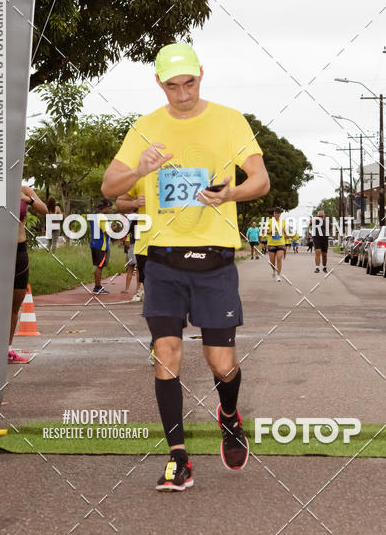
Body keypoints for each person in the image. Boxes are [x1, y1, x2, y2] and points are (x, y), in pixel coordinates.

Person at [102, 43, 270, 491]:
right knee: (167, 354)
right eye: (172, 86)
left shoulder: (230, 120)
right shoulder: (145, 127)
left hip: (214, 260)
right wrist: (140, 167)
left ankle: (229, 415)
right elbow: (110, 185)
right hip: (163, 259)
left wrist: (230, 194)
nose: (181, 94)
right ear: (159, 83)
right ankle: (178, 457)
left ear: (201, 75)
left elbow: (260, 179)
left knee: (221, 363)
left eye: (189, 83)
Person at [9, 185, 47, 364]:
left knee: (14, 305)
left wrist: (28, 199)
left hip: (19, 250)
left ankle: (7, 350)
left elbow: (44, 210)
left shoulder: (23, 189)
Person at [90, 199, 113, 295]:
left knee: (98, 266)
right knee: (100, 266)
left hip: (94, 243)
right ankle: (97, 287)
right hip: (101, 245)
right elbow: (106, 232)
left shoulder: (93, 215)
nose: (110, 210)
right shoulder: (102, 217)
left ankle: (97, 285)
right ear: (105, 207)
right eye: (110, 208)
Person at [266, 207, 285, 281]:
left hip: (280, 242)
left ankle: (278, 275)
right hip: (271, 243)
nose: (276, 214)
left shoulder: (283, 222)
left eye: (278, 213)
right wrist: (273, 232)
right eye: (275, 213)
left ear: (280, 214)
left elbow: (284, 231)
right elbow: (266, 231)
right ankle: (274, 270)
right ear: (273, 214)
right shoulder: (269, 221)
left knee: (279, 258)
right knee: (272, 262)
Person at [312, 209, 329, 273]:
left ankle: (324, 267)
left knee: (324, 254)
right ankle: (317, 268)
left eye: (321, 216)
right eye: (319, 216)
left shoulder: (326, 222)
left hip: (324, 239)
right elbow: (309, 223)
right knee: (318, 252)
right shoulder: (315, 221)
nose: (320, 217)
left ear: (324, 216)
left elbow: (330, 229)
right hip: (317, 238)